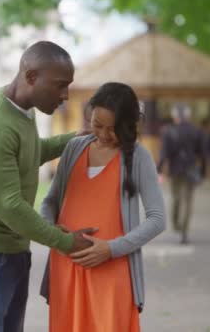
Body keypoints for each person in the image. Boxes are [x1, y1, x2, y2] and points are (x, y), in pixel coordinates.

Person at [0, 41, 96, 332]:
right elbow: (8, 205)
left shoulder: (22, 110)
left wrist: (76, 138)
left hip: (10, 248)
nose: (65, 96)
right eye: (60, 85)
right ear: (30, 76)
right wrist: (64, 241)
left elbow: (29, 153)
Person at [39, 82, 166, 332]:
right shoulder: (75, 148)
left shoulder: (138, 157)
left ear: (129, 126)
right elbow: (50, 202)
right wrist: (53, 234)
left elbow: (157, 219)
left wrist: (111, 248)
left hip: (112, 270)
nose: (104, 134)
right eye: (97, 125)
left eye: (113, 128)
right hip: (66, 267)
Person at [157, 105, 207, 244]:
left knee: (175, 198)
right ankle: (184, 232)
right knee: (188, 201)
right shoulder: (197, 131)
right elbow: (203, 154)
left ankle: (175, 224)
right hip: (190, 169)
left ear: (175, 117)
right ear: (188, 116)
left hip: (174, 170)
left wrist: (159, 170)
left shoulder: (168, 131)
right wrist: (203, 172)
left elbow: (164, 154)